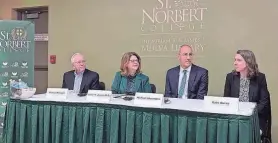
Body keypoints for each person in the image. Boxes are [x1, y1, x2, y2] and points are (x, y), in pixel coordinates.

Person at [224, 50, 271, 142]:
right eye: (235, 60)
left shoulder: (260, 78)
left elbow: (263, 103)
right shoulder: (230, 77)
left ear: (248, 62)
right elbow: (227, 101)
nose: (235, 63)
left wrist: (249, 115)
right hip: (235, 119)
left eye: (239, 60)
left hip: (254, 119)